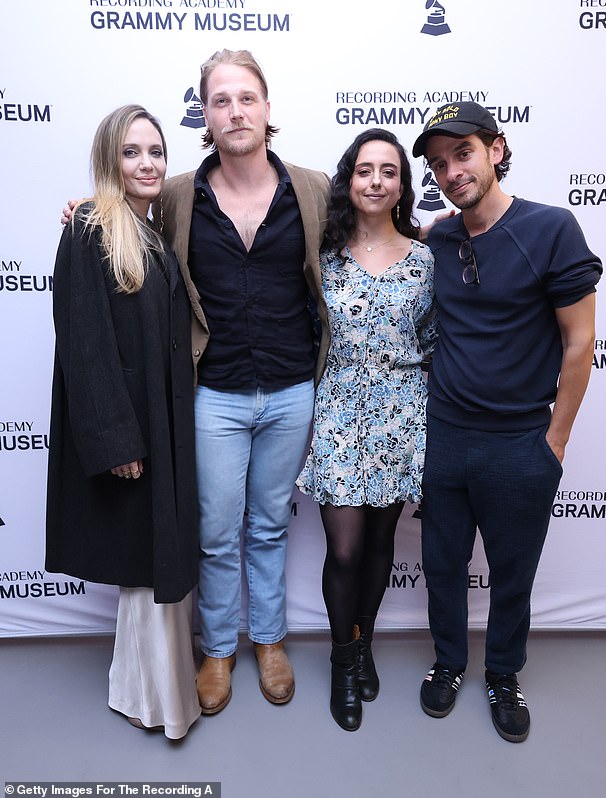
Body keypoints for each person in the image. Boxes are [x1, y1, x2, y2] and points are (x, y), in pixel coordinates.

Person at [411, 102, 602, 742]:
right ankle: (448, 662)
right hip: (445, 436)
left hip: (521, 442)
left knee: (512, 571)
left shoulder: (551, 228)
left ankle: (503, 673)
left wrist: (555, 441)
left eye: (462, 154)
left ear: (496, 150)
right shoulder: (438, 237)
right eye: (438, 164)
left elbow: (581, 343)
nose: (450, 171)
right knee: (441, 564)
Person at [159, 49, 331, 714]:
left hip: (293, 389)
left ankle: (269, 641)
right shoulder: (177, 194)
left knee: (268, 526)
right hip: (215, 395)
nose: (235, 110)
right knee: (217, 530)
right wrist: (87, 210)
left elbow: (378, 223)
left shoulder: (312, 188)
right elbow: (128, 228)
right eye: (220, 100)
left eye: (246, 97)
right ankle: (219, 651)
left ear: (267, 107)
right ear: (205, 114)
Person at [46, 105, 201, 739]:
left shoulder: (148, 230)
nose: (147, 164)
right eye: (133, 152)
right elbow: (83, 342)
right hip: (133, 433)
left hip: (162, 425)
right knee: (147, 564)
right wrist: (115, 438)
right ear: (112, 158)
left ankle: (148, 691)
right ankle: (155, 700)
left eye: (157, 152)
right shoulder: (88, 228)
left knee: (155, 561)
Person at [297, 129, 437, 731]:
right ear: (348, 182)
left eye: (388, 171)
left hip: (402, 412)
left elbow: (430, 340)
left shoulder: (426, 259)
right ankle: (341, 662)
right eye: (364, 170)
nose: (375, 181)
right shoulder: (320, 258)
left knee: (381, 546)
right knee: (346, 549)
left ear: (402, 185)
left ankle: (363, 644)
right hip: (338, 409)